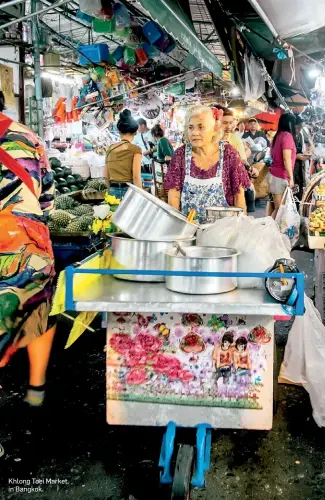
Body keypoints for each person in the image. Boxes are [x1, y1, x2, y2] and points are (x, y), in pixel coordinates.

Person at [0, 91, 56, 407]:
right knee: (38, 310)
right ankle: (36, 391)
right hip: (29, 244)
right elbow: (47, 198)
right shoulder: (27, 136)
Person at [165, 106, 250, 223]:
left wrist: (243, 227)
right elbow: (174, 196)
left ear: (215, 129)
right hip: (190, 231)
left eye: (201, 127)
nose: (194, 133)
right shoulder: (180, 155)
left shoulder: (229, 153)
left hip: (223, 232)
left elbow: (238, 196)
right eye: (191, 127)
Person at [105, 109, 142, 199]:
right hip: (129, 191)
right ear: (135, 132)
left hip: (113, 190)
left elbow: (106, 176)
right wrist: (141, 195)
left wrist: (109, 191)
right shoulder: (136, 150)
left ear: (119, 132)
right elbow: (136, 177)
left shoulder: (109, 149)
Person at [267, 113, 297, 218]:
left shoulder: (277, 136)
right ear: (290, 124)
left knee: (277, 208)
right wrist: (291, 178)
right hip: (280, 176)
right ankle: (270, 231)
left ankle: (270, 230)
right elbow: (286, 159)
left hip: (274, 175)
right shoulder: (287, 136)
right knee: (280, 209)